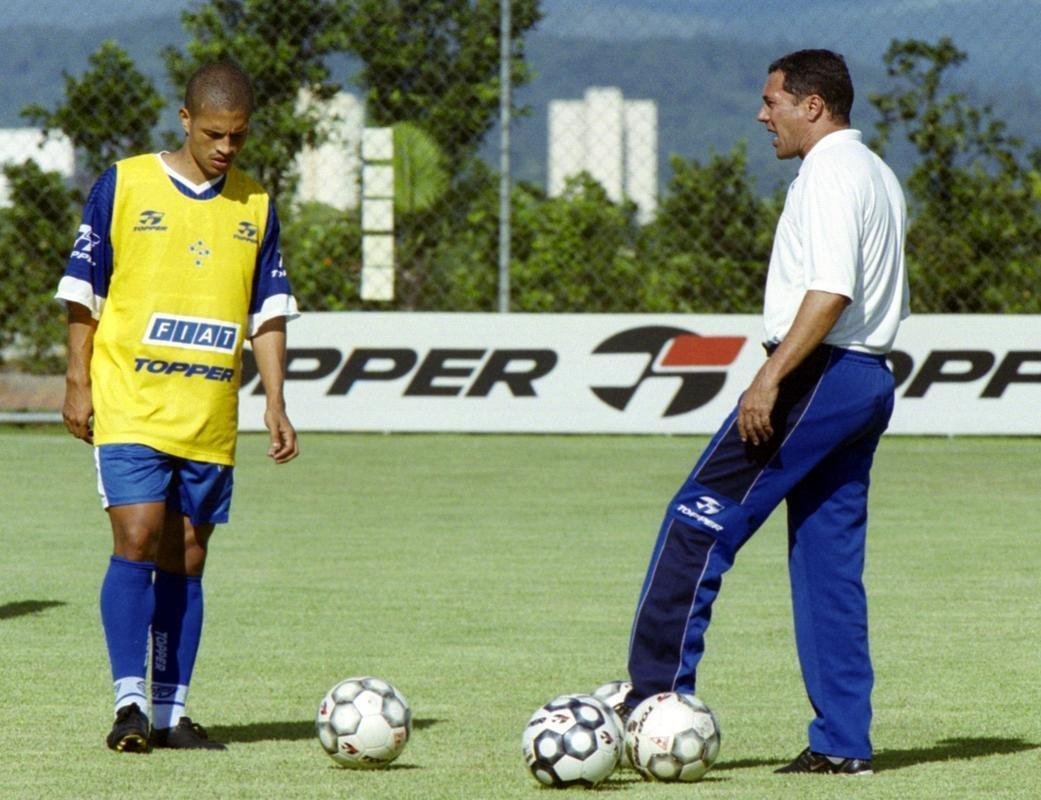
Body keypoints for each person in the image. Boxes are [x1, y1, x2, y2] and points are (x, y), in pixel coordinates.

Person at [625, 49, 909, 775]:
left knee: (695, 523)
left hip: (817, 372)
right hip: (866, 377)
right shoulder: (876, 171)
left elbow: (830, 290)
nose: (762, 114)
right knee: (826, 565)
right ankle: (843, 743)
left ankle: (651, 706)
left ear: (811, 105)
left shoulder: (830, 172)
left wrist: (768, 379)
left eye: (772, 101)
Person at [56, 60, 300, 753]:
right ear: (186, 120)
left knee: (187, 555)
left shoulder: (255, 205)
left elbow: (269, 313)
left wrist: (275, 400)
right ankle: (128, 703)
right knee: (137, 535)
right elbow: (83, 293)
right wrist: (77, 380)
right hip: (130, 400)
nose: (227, 147)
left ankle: (170, 712)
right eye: (216, 133)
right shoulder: (125, 183)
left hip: (208, 412)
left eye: (240, 137)